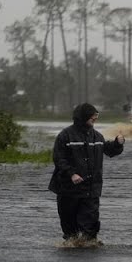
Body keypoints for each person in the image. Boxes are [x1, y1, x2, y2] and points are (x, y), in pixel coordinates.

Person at [48, 103, 125, 244]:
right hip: (68, 189)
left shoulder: (97, 136)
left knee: (89, 226)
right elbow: (59, 159)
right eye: (93, 115)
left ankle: (89, 246)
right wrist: (72, 174)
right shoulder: (65, 136)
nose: (95, 117)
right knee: (69, 226)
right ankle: (72, 246)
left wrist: (117, 144)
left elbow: (109, 150)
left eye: (97, 115)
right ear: (83, 116)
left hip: (91, 189)